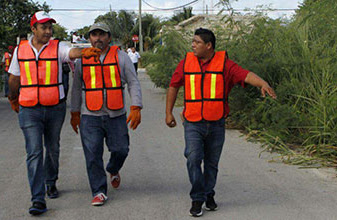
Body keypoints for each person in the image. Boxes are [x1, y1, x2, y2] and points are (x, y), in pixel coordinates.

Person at [165, 28, 276, 217]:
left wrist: (262, 83)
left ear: (208, 46)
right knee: (193, 158)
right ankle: (198, 198)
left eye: (197, 42)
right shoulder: (186, 63)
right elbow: (174, 85)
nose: (193, 45)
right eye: (193, 41)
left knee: (211, 164)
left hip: (216, 124)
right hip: (193, 123)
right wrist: (168, 113)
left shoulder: (225, 65)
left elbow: (245, 75)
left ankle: (208, 194)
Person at [7, 11, 101, 215]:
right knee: (34, 152)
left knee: (52, 148)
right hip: (29, 108)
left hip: (54, 108)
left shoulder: (58, 47)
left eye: (50, 27)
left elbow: (71, 53)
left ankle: (51, 182)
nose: (49, 31)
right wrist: (13, 98)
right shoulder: (20, 50)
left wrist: (83, 53)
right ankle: (38, 199)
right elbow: (14, 77)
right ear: (33, 29)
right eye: (44, 27)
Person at [70, 22, 142, 206]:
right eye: (94, 35)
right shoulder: (82, 60)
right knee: (92, 154)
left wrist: (136, 106)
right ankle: (99, 191)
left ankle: (113, 168)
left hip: (116, 114)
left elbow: (133, 82)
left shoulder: (121, 57)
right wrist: (75, 112)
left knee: (121, 149)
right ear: (89, 38)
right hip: (89, 116)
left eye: (102, 35)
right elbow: (77, 87)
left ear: (109, 38)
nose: (98, 38)